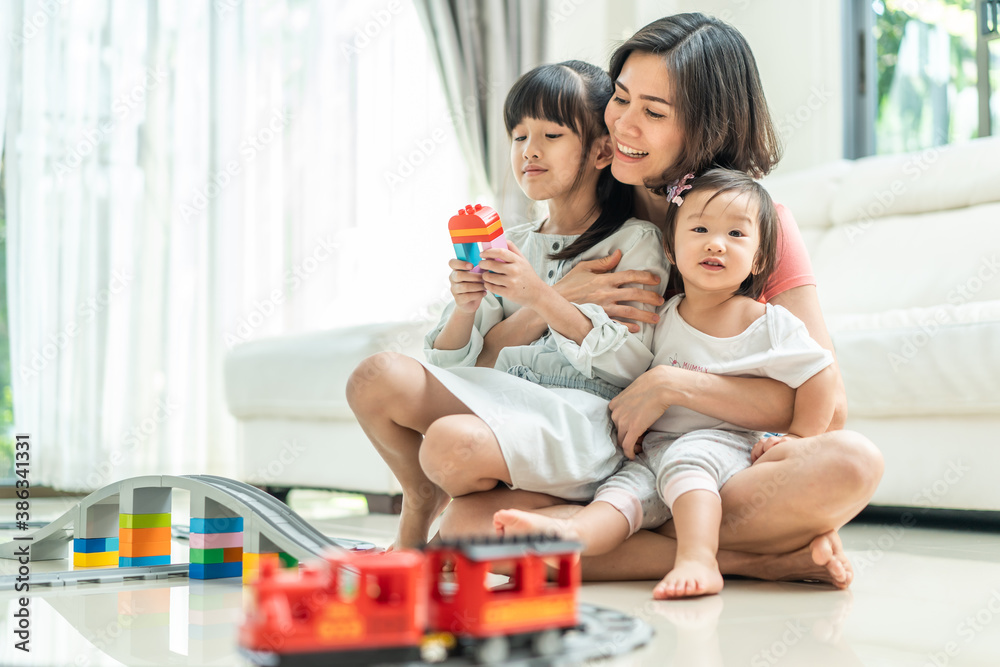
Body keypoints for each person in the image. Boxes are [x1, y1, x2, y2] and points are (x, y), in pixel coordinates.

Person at [438, 13, 884, 589]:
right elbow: (485, 363)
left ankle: (606, 538)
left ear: (707, 127)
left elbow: (829, 406)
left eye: (653, 112)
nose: (622, 125)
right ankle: (748, 558)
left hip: (705, 464)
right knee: (465, 526)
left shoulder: (752, 230)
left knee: (851, 462)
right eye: (619, 99)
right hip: (595, 463)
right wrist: (551, 299)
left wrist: (670, 385)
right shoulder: (584, 211)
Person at [346, 60, 671, 550]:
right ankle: (419, 497)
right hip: (502, 400)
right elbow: (464, 363)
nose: (530, 151)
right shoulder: (511, 244)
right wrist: (465, 306)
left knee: (448, 445)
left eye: (552, 135)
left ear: (602, 150)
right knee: (375, 377)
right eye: (519, 136)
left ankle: (561, 501)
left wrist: (538, 295)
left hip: (579, 421)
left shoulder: (633, 243)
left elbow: (629, 367)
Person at [494, 169, 838, 600]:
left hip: (719, 443)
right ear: (671, 250)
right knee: (618, 495)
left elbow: (820, 374)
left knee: (688, 464)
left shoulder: (765, 322)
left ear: (760, 260)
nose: (716, 243)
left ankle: (699, 561)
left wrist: (799, 438)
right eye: (699, 229)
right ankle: (568, 535)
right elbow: (630, 364)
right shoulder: (666, 313)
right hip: (654, 448)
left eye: (736, 233)